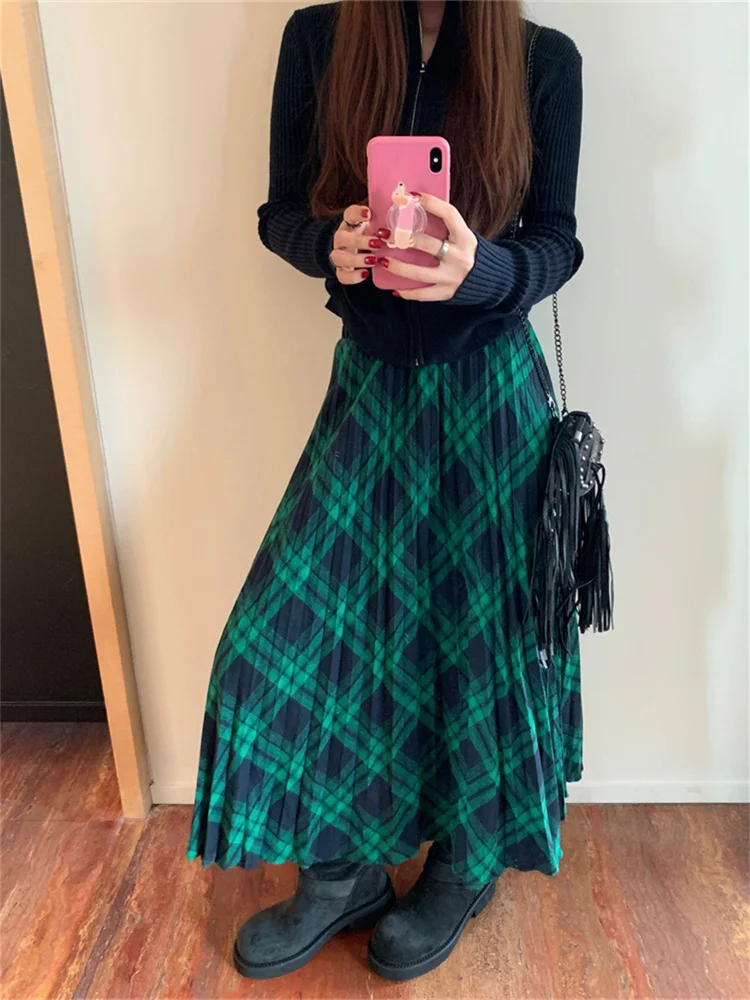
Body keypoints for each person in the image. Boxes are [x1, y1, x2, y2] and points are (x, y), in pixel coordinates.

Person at [187, 0, 584, 983]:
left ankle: (464, 862)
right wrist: (329, 243)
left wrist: (480, 269)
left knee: (482, 646)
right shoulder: (318, 39)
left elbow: (559, 243)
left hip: (493, 398)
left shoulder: (543, 60)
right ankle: (343, 874)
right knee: (273, 646)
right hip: (368, 388)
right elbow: (278, 214)